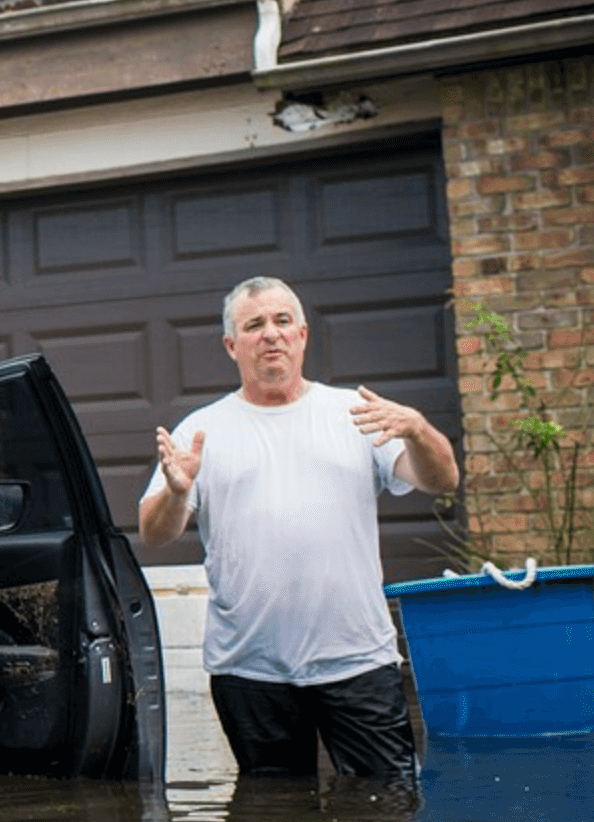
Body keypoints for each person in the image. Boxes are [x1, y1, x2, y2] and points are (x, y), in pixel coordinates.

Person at [138, 276, 460, 778]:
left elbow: (443, 480)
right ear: (231, 345)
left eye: (282, 321)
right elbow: (154, 532)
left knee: (388, 811)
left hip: (357, 660)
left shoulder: (356, 414)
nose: (271, 334)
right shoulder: (201, 432)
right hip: (249, 669)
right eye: (254, 325)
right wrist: (178, 492)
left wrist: (418, 428)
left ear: (303, 334)